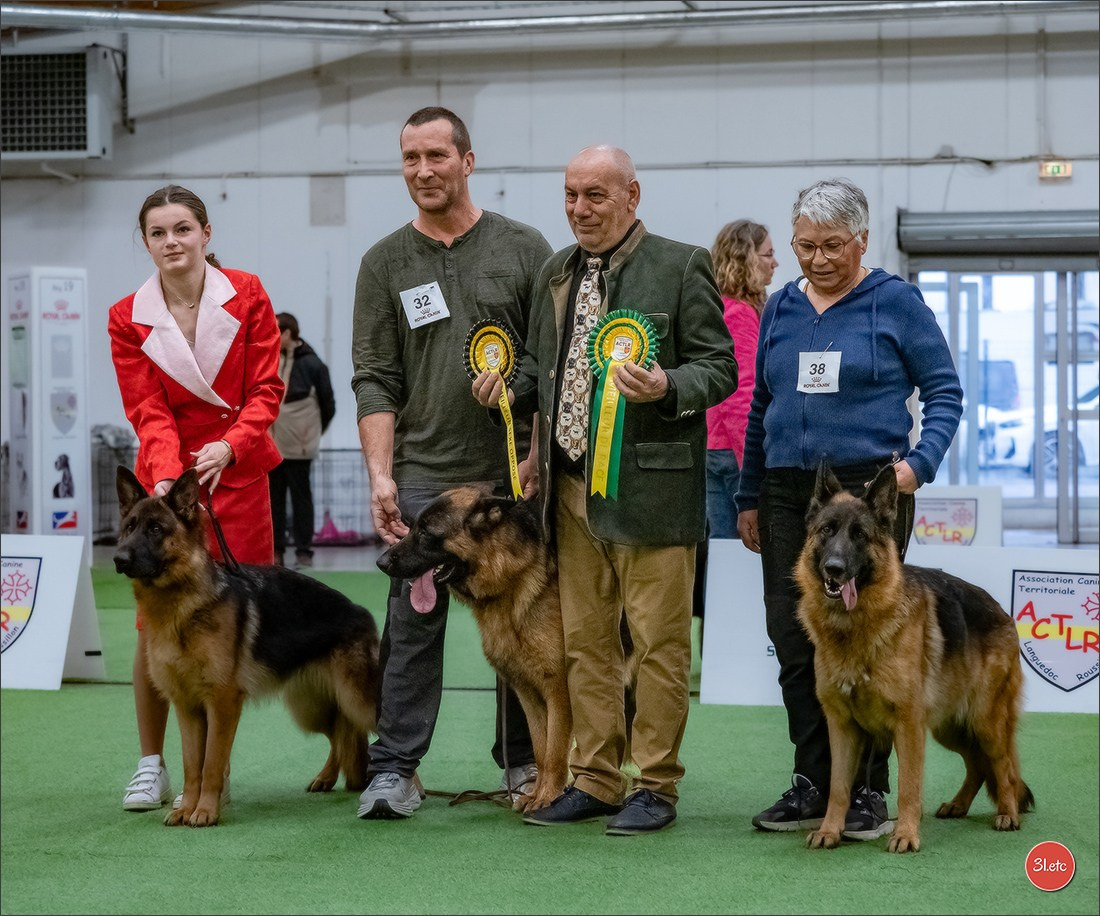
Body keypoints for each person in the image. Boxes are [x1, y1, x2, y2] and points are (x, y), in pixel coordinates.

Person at [473, 145, 736, 835]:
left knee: (658, 645)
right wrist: (509, 391)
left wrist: (669, 385)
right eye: (570, 195)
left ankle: (656, 784)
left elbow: (719, 367)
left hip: (652, 495)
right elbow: (540, 367)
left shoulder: (682, 265)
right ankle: (595, 777)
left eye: (595, 195)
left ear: (632, 196)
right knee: (586, 643)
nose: (580, 209)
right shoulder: (555, 270)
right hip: (566, 492)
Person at [734, 177, 963, 839]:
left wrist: (917, 466)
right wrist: (748, 494)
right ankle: (814, 781)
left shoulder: (897, 304)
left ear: (862, 239)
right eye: (806, 245)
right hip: (788, 495)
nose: (818, 258)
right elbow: (760, 409)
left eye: (833, 245)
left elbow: (945, 393)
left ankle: (868, 792)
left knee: (871, 641)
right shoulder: (779, 308)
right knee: (795, 638)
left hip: (870, 495)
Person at [351, 106, 553, 819]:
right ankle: (394, 769)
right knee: (412, 621)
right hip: (425, 477)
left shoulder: (526, 249)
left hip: (510, 477)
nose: (423, 171)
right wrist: (381, 474)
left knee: (525, 623)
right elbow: (375, 377)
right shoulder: (383, 263)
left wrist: (533, 453)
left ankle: (526, 762)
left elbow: (548, 363)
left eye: (437, 156)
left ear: (468, 160)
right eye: (410, 158)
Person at [109, 184, 284, 812]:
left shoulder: (249, 292)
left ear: (206, 233)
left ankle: (213, 774)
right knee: (151, 630)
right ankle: (151, 764)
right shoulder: (127, 315)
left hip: (237, 477)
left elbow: (267, 387)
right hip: (167, 486)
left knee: (228, 627)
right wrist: (166, 475)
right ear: (147, 243)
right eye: (158, 233)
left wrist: (232, 445)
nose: (171, 242)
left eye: (182, 229)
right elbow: (145, 405)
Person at [691, 220, 779, 640]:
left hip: (714, 449)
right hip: (731, 454)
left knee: (719, 554)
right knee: (732, 555)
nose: (775, 263)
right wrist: (752, 472)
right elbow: (740, 395)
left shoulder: (723, 307)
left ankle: (718, 646)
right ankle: (728, 645)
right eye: (767, 254)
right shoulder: (739, 314)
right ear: (745, 257)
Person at [270, 311, 336, 569]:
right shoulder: (270, 360)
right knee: (273, 499)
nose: (273, 336)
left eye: (276, 331)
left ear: (287, 333)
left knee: (301, 499)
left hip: (300, 446)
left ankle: (303, 552)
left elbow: (328, 405)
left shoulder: (313, 365)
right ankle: (275, 550)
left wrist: (312, 433)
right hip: (272, 445)